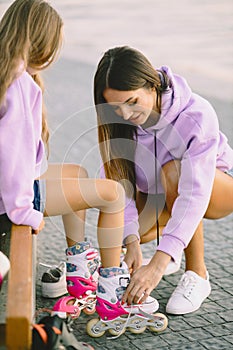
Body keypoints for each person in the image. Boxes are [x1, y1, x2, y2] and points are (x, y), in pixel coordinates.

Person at [0, 1, 167, 337]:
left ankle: (77, 271)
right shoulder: (18, 85)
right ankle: (110, 292)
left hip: (17, 185)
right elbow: (10, 159)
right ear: (42, 43)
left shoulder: (12, 72)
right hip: (12, 197)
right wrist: (26, 213)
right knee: (113, 194)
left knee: (76, 172)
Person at [93, 45, 233, 315]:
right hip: (161, 197)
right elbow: (118, 183)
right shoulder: (121, 123)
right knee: (111, 205)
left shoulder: (196, 115)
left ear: (152, 85)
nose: (125, 114)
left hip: (217, 188)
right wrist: (131, 239)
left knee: (174, 172)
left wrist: (158, 261)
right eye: (116, 107)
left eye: (132, 102)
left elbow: (195, 193)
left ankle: (197, 274)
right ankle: (170, 249)